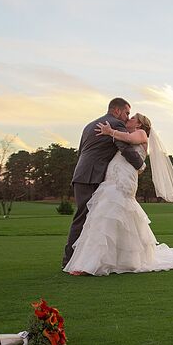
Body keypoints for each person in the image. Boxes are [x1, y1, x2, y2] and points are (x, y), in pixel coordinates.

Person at [63, 112, 173, 276]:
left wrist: (109, 131)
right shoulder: (127, 135)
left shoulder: (140, 134)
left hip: (123, 180)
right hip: (112, 178)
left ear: (139, 124)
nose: (129, 119)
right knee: (105, 215)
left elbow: (130, 141)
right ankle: (114, 260)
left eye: (133, 118)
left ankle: (91, 265)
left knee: (107, 214)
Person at [61, 98, 145, 269]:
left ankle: (82, 260)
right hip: (93, 177)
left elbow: (82, 151)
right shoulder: (114, 124)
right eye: (126, 113)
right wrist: (140, 165)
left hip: (82, 175)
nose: (127, 117)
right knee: (86, 218)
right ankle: (72, 261)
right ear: (116, 110)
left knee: (88, 218)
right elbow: (125, 148)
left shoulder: (90, 125)